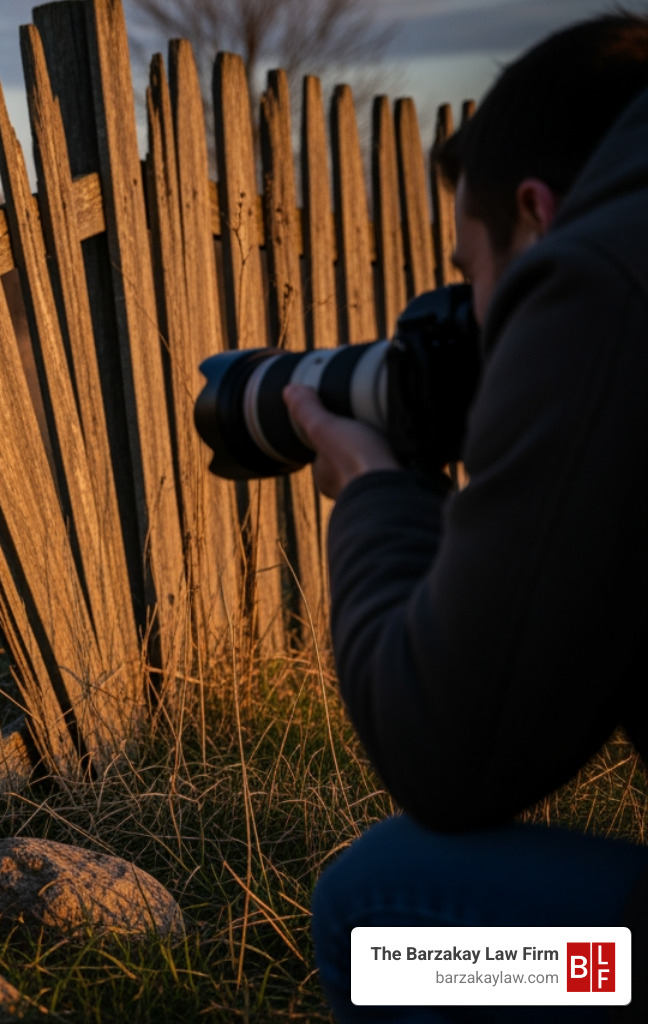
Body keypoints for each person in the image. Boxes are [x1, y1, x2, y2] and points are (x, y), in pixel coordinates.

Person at [279, 13, 648, 1022]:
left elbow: (450, 753)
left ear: (535, 215)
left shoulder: (602, 286)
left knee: (386, 918)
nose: (480, 313)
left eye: (473, 271)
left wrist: (375, 492)